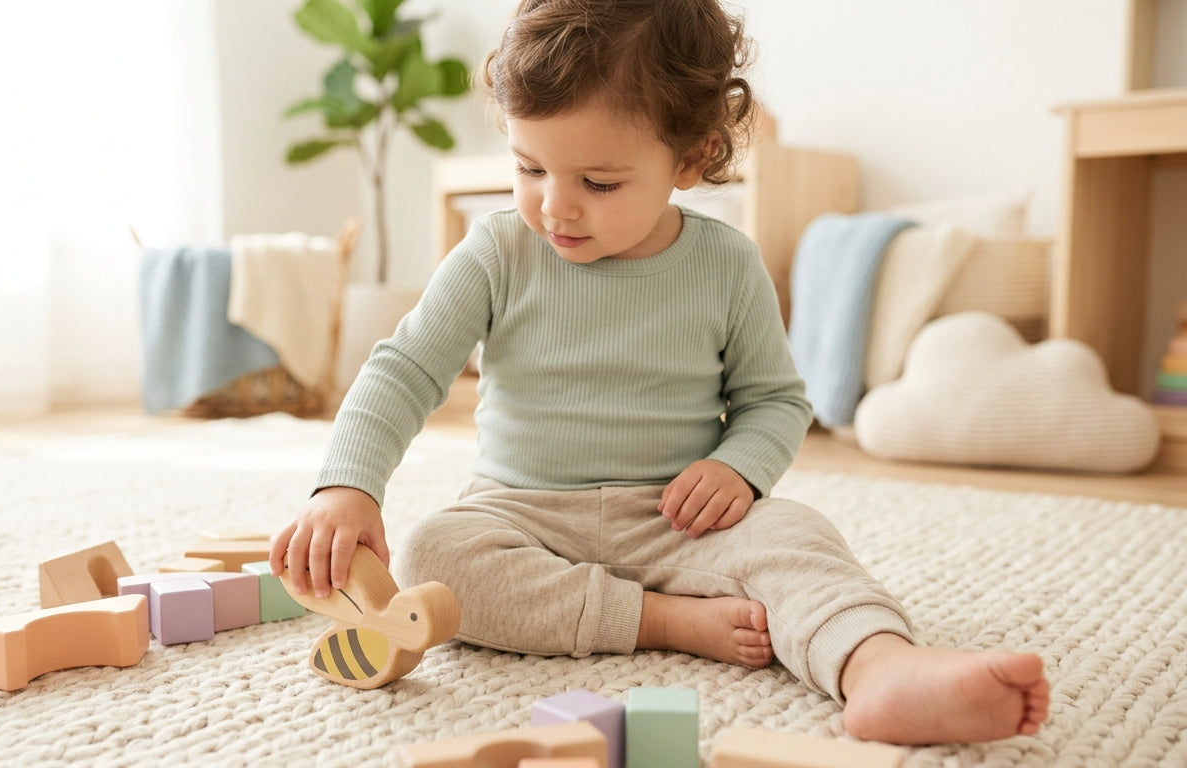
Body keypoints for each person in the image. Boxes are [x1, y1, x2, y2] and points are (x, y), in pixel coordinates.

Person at [270, 0, 1049, 746]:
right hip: (522, 517)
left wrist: (736, 469)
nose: (555, 208)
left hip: (681, 523)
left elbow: (775, 402)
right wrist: (348, 485)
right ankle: (662, 619)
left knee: (798, 537)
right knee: (433, 557)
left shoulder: (725, 264)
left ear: (692, 156)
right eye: (529, 167)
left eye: (597, 183)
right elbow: (402, 370)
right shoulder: (495, 253)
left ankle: (882, 669)